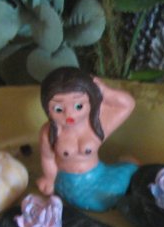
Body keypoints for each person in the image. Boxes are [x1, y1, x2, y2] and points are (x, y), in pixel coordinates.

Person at [37, 67, 138, 211]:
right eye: (58, 109)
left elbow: (127, 104)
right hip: (67, 182)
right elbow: (48, 158)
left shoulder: (96, 125)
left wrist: (104, 91)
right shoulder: (49, 132)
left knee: (114, 190)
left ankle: (128, 164)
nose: (69, 115)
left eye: (78, 106)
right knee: (94, 202)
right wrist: (49, 179)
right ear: (47, 108)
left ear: (91, 102)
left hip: (98, 176)